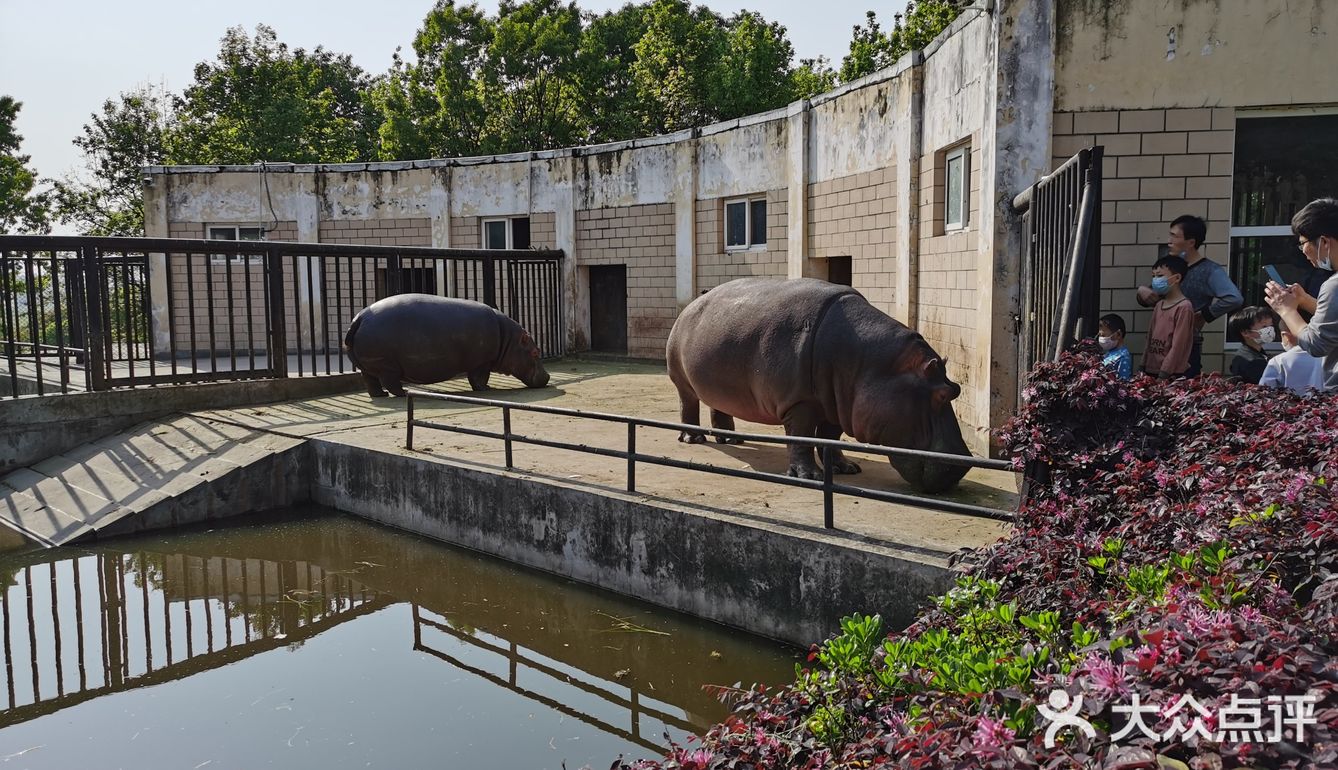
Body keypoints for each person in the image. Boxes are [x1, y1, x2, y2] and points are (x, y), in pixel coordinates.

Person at [1136, 215, 1244, 376]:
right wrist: (1141, 292)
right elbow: (1152, 297)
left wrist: (1204, 315)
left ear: (1191, 242)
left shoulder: (1210, 270)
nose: (1169, 241)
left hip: (1186, 348)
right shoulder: (1170, 264)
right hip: (1159, 346)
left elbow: (1234, 298)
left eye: (1174, 236)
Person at [1265, 197, 1338, 392]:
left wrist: (1286, 310)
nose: (1304, 252)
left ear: (1323, 241)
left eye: (1303, 243)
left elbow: (1317, 344)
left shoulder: (1334, 285)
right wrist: (1304, 301)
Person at [1141, 255, 1196, 379]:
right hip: (1151, 370)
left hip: (1171, 375)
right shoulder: (1159, 305)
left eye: (1160, 276)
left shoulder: (1184, 307)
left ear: (1176, 278)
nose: (1155, 280)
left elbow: (1178, 345)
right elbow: (1149, 337)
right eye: (1153, 276)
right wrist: (1142, 365)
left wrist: (1164, 373)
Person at [1259, 328, 1326, 395]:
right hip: (1325, 403)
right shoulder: (1326, 357)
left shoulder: (1278, 361)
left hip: (1288, 404)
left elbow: (1265, 392)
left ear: (1285, 336)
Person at [1227, 306, 1277, 384]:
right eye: (1264, 326)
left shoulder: (1253, 353)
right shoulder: (1253, 361)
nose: (1270, 330)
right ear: (1246, 332)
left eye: (1270, 326)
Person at [1097, 313, 1132, 380]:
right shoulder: (1109, 353)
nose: (1101, 339)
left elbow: (1123, 382)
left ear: (1118, 334)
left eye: (1103, 336)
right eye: (1100, 336)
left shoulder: (1122, 357)